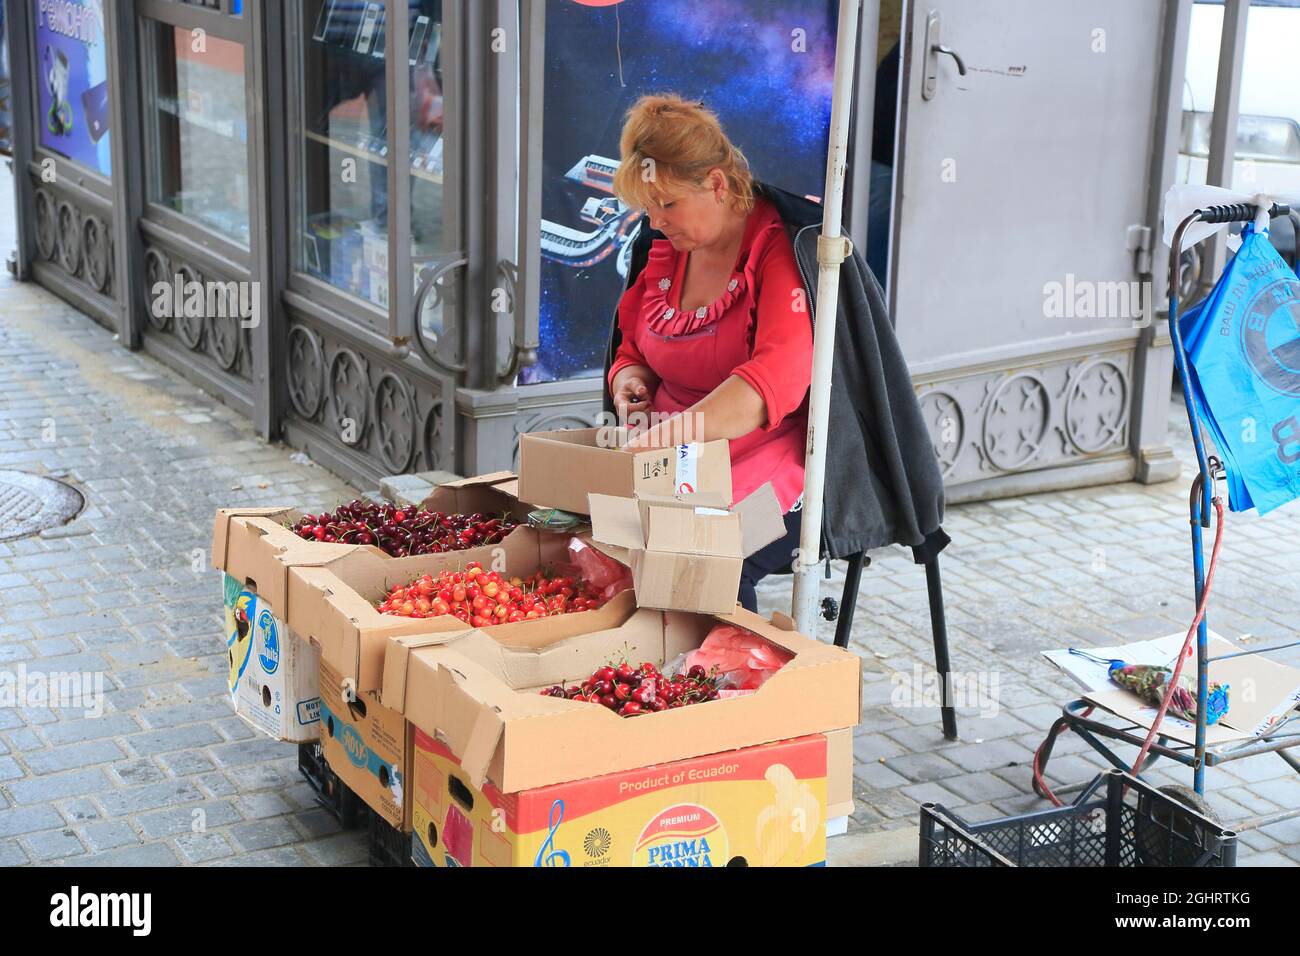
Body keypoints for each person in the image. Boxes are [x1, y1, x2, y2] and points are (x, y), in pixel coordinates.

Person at [607, 95, 813, 613]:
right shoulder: (663, 248)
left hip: (774, 455)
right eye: (649, 209)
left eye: (668, 205)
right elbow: (633, 342)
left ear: (717, 184)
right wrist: (629, 377)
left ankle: (716, 681)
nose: (655, 222)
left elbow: (770, 387)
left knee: (713, 560)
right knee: (608, 544)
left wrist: (662, 438)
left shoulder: (780, 248)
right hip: (673, 450)